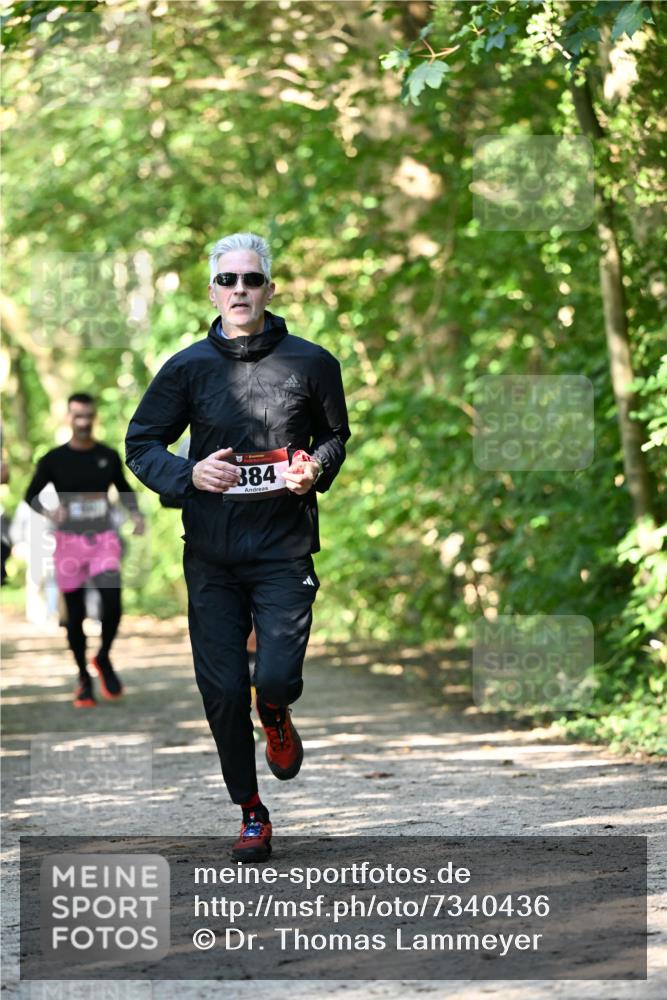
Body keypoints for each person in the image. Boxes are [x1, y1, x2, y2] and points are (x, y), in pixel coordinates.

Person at [126, 232, 349, 861]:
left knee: (273, 677)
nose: (240, 290)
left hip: (283, 551)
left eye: (251, 279)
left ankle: (274, 711)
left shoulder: (312, 363)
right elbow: (141, 443)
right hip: (213, 557)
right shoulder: (188, 368)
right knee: (222, 690)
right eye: (228, 281)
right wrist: (188, 474)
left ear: (270, 288)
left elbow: (336, 435)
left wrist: (317, 467)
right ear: (213, 292)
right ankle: (252, 812)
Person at [25, 393, 145, 707]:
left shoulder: (106, 455)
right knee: (74, 614)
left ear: (94, 417)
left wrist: (135, 514)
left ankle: (102, 657)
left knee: (113, 604)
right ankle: (82, 676)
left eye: (87, 416)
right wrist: (51, 513)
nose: (82, 422)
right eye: (77, 416)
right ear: (68, 418)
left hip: (103, 539)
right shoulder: (53, 459)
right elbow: (30, 495)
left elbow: (123, 487)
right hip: (67, 544)